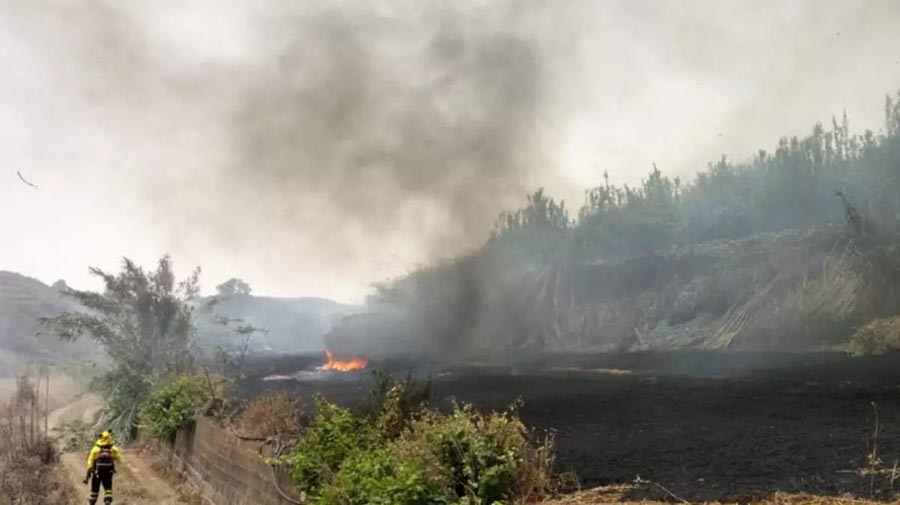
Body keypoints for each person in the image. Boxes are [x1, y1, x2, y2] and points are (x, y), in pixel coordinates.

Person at [83, 430, 122, 505]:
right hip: (108, 472)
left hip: (96, 472)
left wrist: (89, 468)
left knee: (95, 489)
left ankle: (92, 502)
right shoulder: (112, 448)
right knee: (108, 487)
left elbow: (90, 460)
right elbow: (119, 457)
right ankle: (107, 500)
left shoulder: (96, 448)